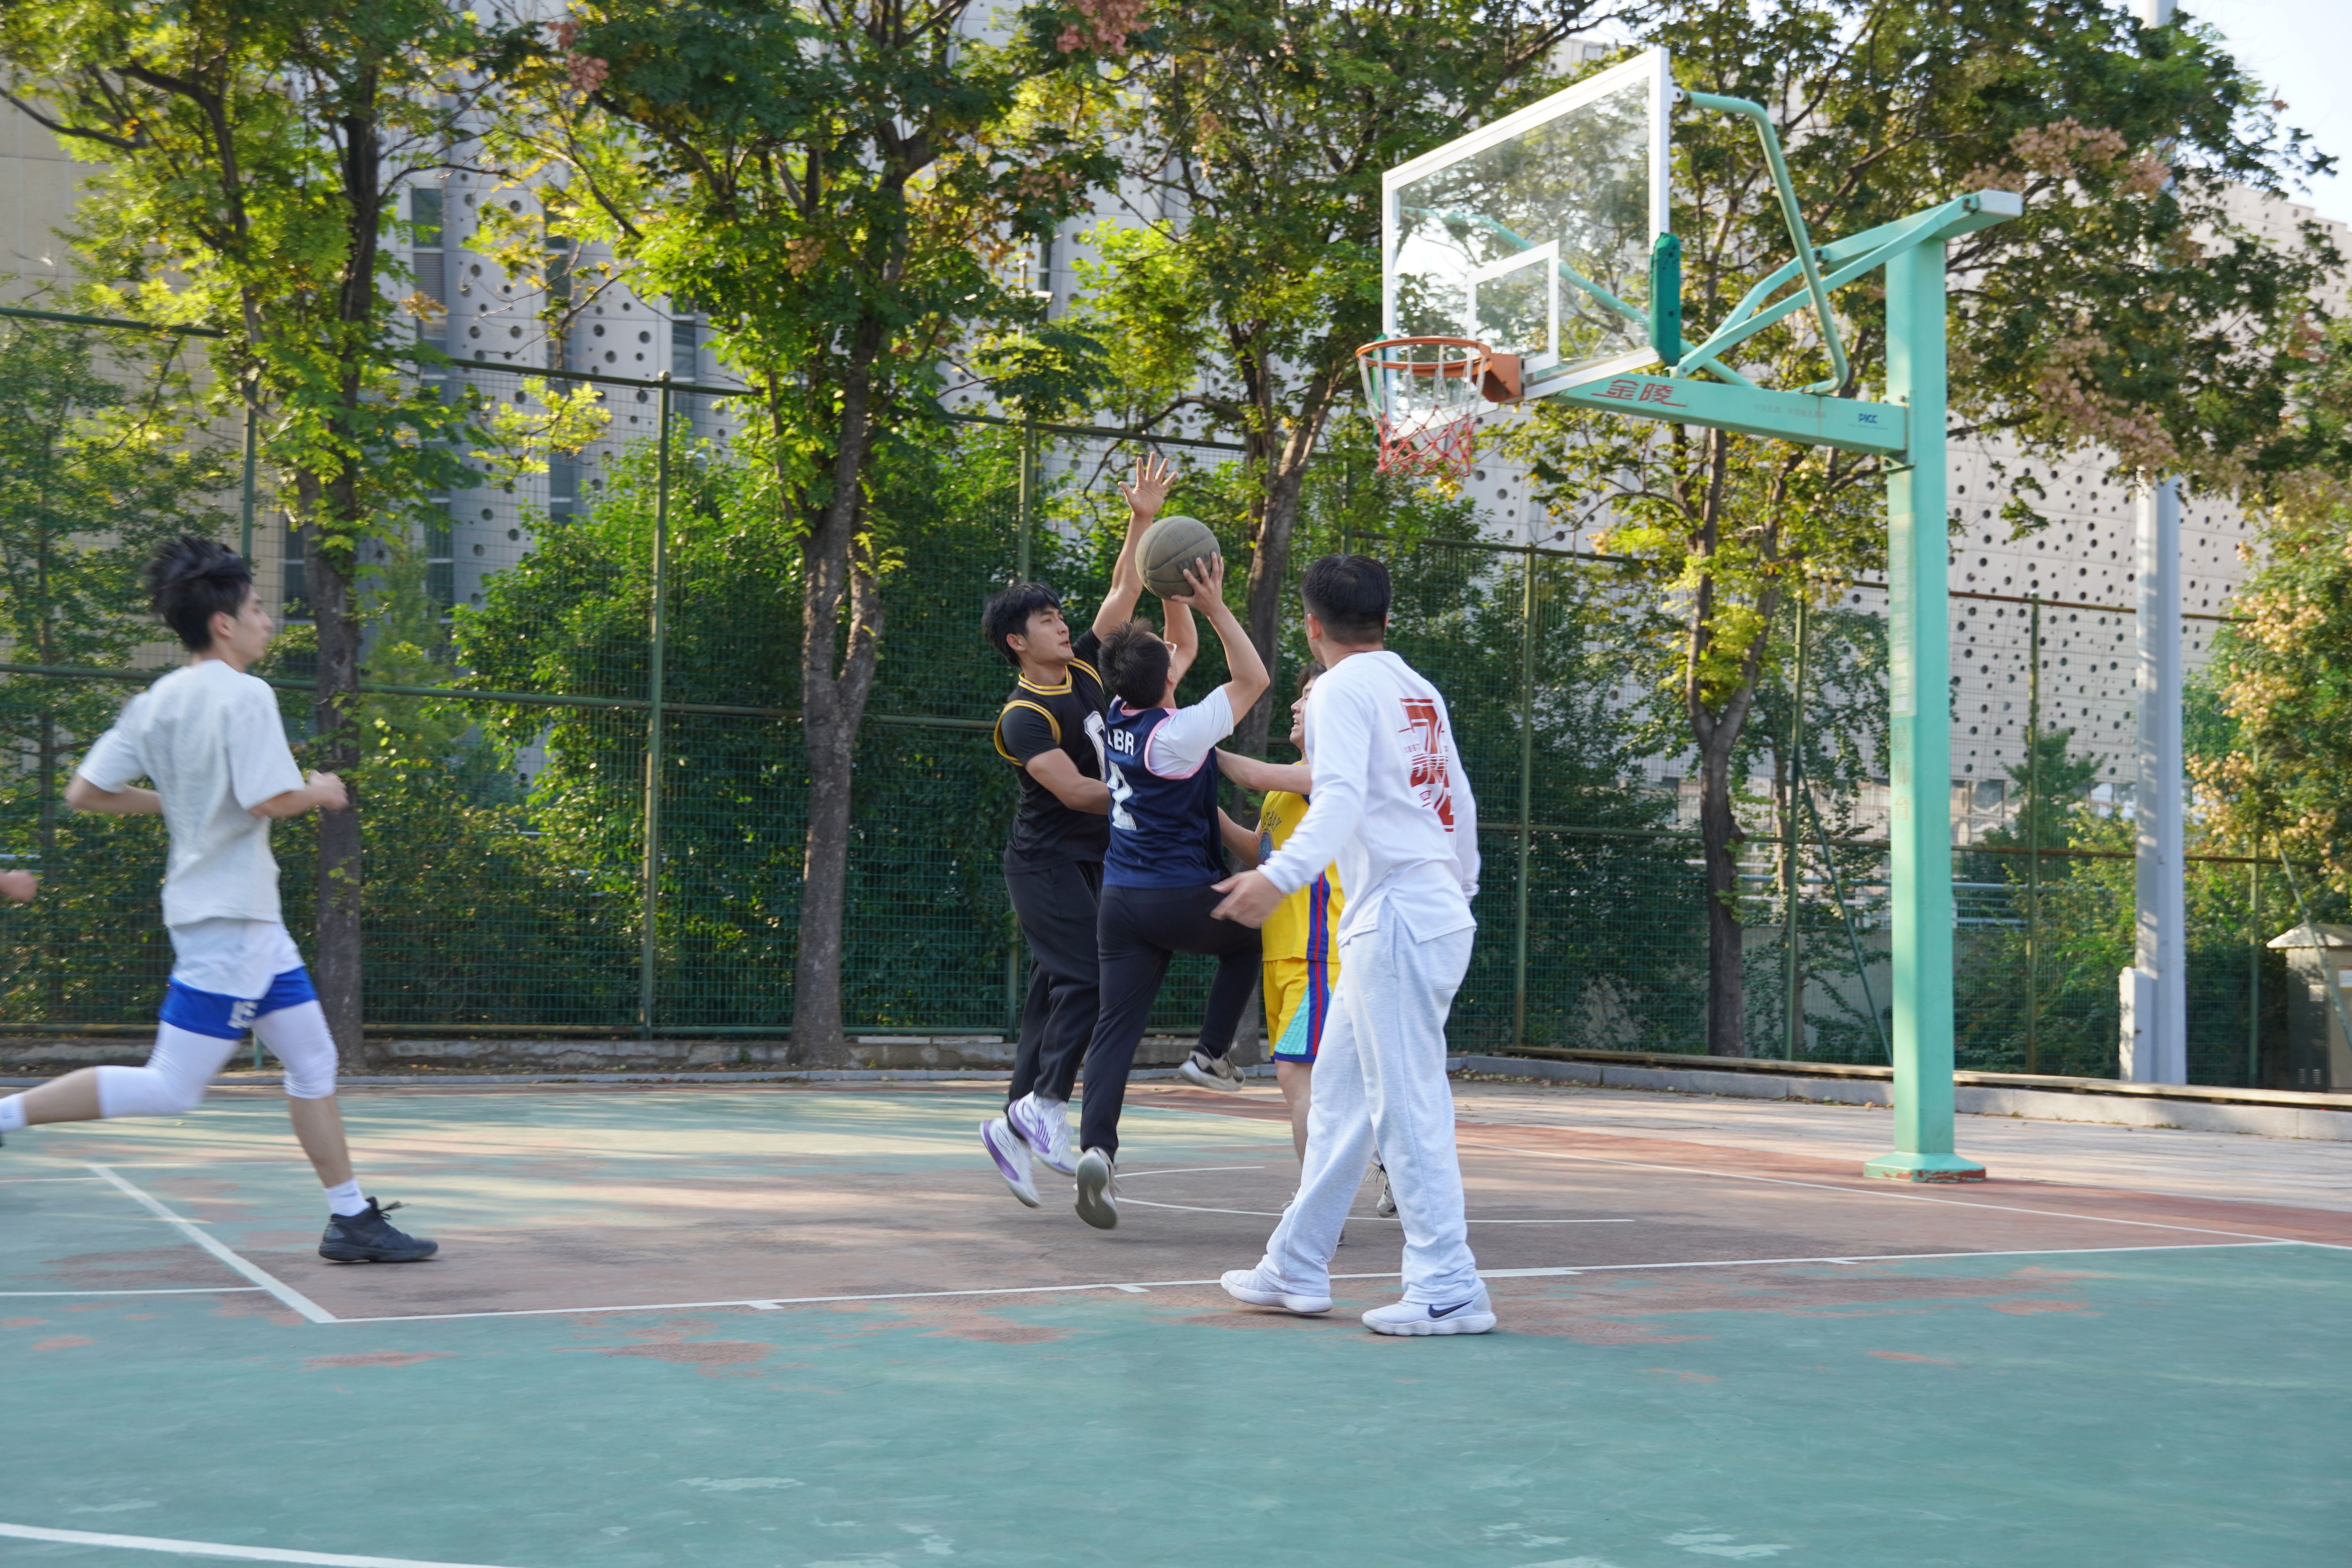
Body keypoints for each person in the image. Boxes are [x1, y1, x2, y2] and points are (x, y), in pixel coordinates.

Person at [0, 537, 435, 1264]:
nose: (269, 620)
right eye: (259, 608)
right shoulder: (246, 693)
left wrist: (180, 802)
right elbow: (269, 798)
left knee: (314, 1060)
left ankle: (350, 1217)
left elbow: (86, 792)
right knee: (172, 1086)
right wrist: (321, 789)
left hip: (248, 921)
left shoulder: (156, 701)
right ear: (224, 623)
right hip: (228, 922)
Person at [1209, 553, 1491, 1335]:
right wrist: (1459, 886)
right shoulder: (1418, 688)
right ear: (1386, 619)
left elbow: (1336, 799)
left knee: (1407, 1104)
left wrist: (1278, 876)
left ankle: (1448, 1283)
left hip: (1399, 916)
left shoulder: (1337, 690)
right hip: (1415, 910)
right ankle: (1295, 1264)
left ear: (1311, 626)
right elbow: (1457, 798)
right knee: (1337, 1101)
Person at [977, 454, 1178, 1208]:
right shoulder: (1023, 716)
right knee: (1093, 978)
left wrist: (1142, 520)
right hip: (1047, 863)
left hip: (1095, 859)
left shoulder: (1088, 671)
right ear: (1016, 643)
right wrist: (1150, 789)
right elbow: (1072, 790)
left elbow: (1124, 591)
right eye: (1045, 620)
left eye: (1061, 615)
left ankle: (1015, 1121)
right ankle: (1046, 1103)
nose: (1062, 624)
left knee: (1051, 992)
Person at [1065, 551, 1269, 1230]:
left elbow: (1173, 651)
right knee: (1249, 936)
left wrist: (1170, 590)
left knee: (1115, 1029)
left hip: (1120, 901)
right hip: (1177, 895)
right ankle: (1211, 1052)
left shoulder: (1118, 710)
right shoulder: (1178, 735)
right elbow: (1253, 677)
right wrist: (1214, 605)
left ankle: (1098, 1149)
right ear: (1168, 681)